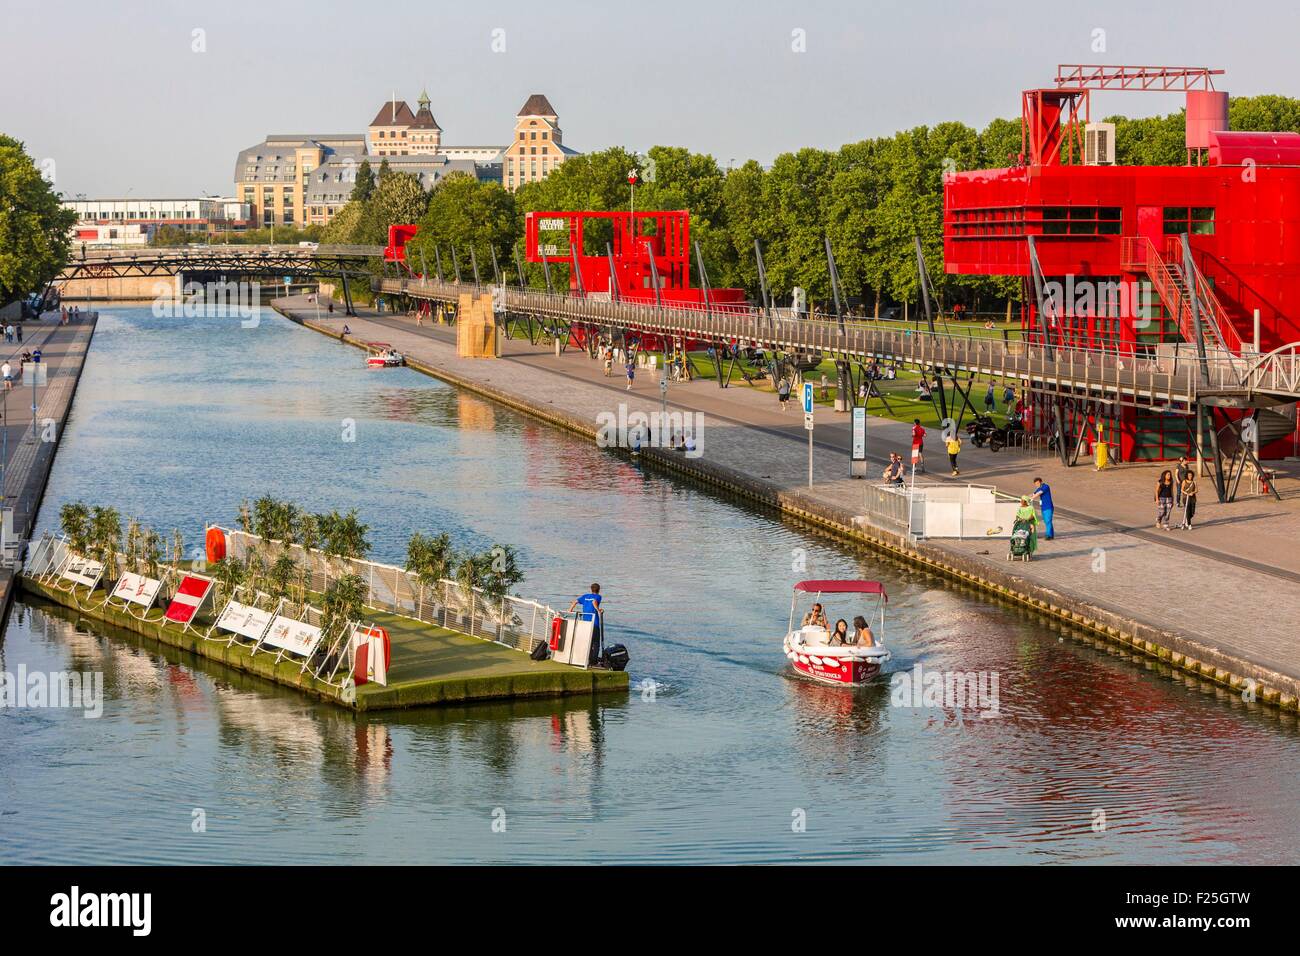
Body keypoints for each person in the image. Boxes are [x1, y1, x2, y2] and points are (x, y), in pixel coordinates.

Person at [568, 583, 604, 666]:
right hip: (594, 623)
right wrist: (598, 610)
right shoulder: (598, 597)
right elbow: (594, 602)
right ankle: (593, 662)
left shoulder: (585, 596)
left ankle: (587, 659)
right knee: (596, 643)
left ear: (591, 589)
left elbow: (575, 602)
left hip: (585, 623)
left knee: (588, 642)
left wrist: (570, 610)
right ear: (598, 590)